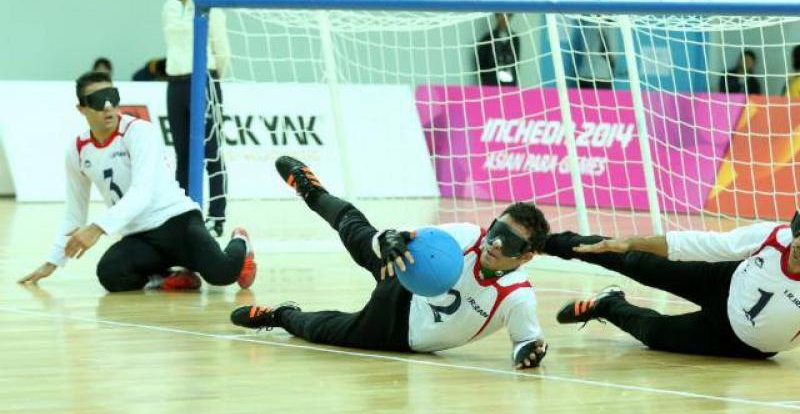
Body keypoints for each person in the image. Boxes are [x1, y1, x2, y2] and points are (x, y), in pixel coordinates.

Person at [230, 156, 549, 370]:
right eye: (497, 231)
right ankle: (311, 190)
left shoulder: (518, 297)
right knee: (359, 233)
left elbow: (524, 342)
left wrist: (527, 354)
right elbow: (410, 238)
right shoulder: (467, 236)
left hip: (397, 334)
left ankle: (282, 315)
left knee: (319, 330)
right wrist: (390, 240)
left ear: (526, 256)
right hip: (404, 278)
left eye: (509, 241)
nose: (494, 242)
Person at [18, 71, 256, 292]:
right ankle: (167, 277)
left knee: (223, 274)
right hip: (140, 236)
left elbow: (142, 193)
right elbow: (74, 215)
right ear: (82, 109)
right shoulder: (78, 150)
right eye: (99, 100)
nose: (109, 106)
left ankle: (241, 242)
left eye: (112, 96)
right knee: (110, 274)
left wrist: (97, 228)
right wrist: (52, 262)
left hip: (178, 222)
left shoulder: (139, 132)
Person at [546, 216, 800, 359]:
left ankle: (608, 304)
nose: (798, 245)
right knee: (634, 259)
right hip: (722, 281)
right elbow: (701, 243)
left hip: (740, 344)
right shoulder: (775, 236)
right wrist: (631, 243)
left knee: (652, 334)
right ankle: (545, 243)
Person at [163, 0, 230, 237]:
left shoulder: (210, 5)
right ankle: (185, 214)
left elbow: (222, 50)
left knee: (211, 151)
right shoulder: (168, 6)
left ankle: (217, 216)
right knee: (183, 154)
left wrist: (211, 80)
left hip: (204, 81)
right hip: (175, 83)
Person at [475, 13, 520, 87]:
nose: (504, 19)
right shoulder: (487, 39)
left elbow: (516, 62)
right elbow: (481, 63)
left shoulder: (515, 39)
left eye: (507, 16)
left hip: (510, 84)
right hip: (491, 84)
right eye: (501, 15)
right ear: (496, 17)